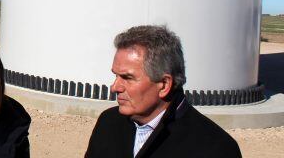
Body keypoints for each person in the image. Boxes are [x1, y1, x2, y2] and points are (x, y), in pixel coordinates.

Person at [84, 25, 241, 158]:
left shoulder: (216, 149)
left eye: (127, 78)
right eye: (116, 75)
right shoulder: (108, 123)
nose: (115, 87)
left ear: (164, 84)